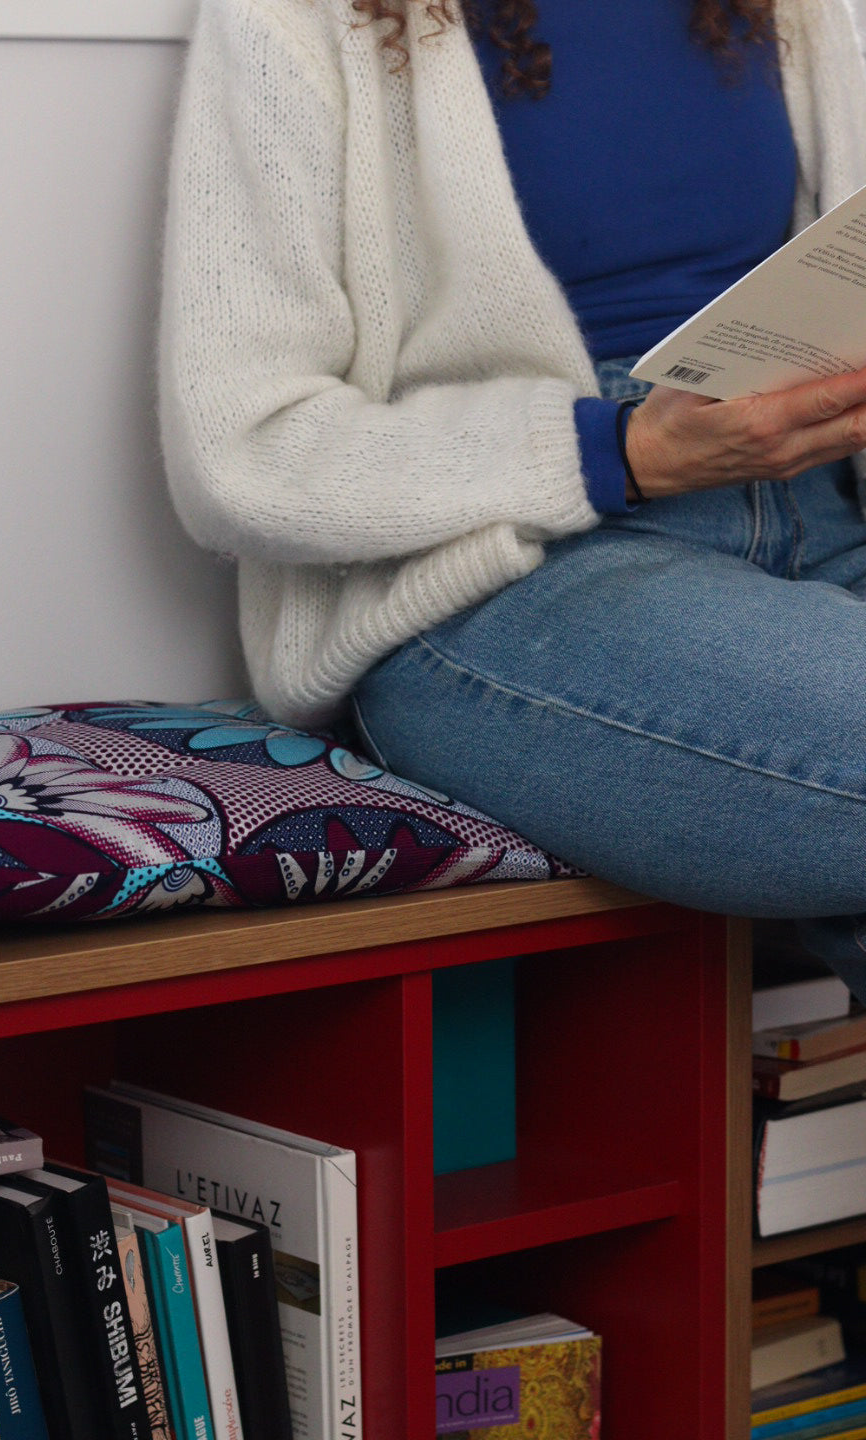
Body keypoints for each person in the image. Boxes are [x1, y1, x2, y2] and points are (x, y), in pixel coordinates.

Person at [157, 0, 866, 993]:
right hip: (515, 564)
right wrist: (616, 451)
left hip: (826, 495)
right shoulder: (297, 18)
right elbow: (243, 456)